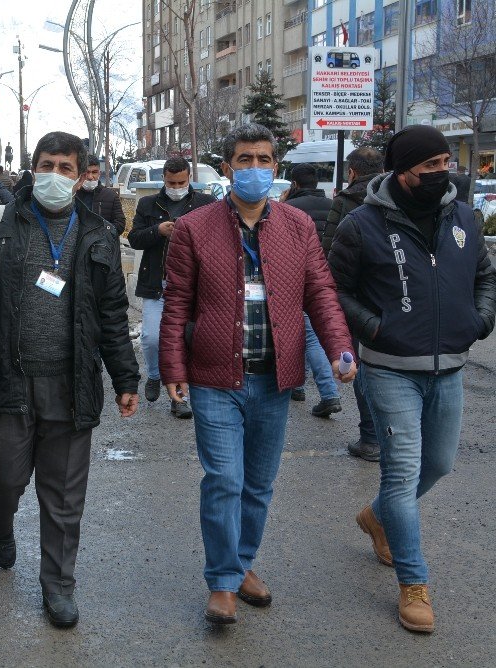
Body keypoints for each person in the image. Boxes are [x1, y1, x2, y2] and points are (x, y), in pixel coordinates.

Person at [0, 131, 139, 629]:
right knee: (3, 476)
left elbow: (112, 314)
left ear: (83, 175)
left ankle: (58, 585)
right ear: (33, 167)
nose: (55, 176)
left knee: (65, 495)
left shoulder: (99, 234)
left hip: (71, 384)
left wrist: (125, 377)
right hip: (4, 377)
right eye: (47, 165)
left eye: (66, 168)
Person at [159, 123, 355, 625]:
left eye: (263, 159)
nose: (254, 169)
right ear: (227, 168)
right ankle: (222, 580)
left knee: (259, 484)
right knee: (224, 478)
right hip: (213, 377)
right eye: (244, 160)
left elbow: (321, 294)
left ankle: (243, 563)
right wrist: (172, 367)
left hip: (275, 377)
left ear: (275, 166)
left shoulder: (297, 227)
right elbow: (177, 302)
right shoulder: (194, 228)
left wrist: (339, 348)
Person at [328, 125, 496, 634]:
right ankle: (413, 583)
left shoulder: (463, 216)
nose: (442, 173)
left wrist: (480, 320)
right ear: (402, 172)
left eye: (446, 163)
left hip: (450, 366)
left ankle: (377, 517)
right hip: (390, 368)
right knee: (401, 474)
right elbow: (337, 288)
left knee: (440, 464)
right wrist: (378, 327)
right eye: (430, 166)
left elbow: (485, 275)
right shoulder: (361, 224)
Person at [128, 156, 215, 418]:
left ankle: (180, 399)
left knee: (184, 341)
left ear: (190, 178)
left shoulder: (205, 203)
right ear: (163, 179)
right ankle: (154, 375)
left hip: (191, 286)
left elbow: (215, 241)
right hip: (158, 282)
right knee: (152, 338)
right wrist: (158, 230)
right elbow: (134, 239)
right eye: (170, 182)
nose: (176, 186)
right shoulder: (148, 203)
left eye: (181, 182)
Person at [324, 147, 385, 461]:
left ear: (352, 172)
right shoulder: (398, 195)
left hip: (359, 298)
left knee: (362, 363)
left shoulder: (346, 201)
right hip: (395, 294)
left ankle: (372, 438)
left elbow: (329, 250)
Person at [282, 163, 342, 418]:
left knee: (307, 336)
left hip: (296, 281)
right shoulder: (331, 206)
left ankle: (329, 393)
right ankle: (297, 386)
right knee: (305, 333)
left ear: (294, 184)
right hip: (326, 278)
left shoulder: (288, 210)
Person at [77, 158, 127, 237]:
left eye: (94, 172)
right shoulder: (72, 195)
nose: (90, 177)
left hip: (102, 245)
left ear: (99, 174)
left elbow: (120, 225)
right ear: (81, 173)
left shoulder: (111, 196)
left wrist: (100, 234)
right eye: (87, 172)